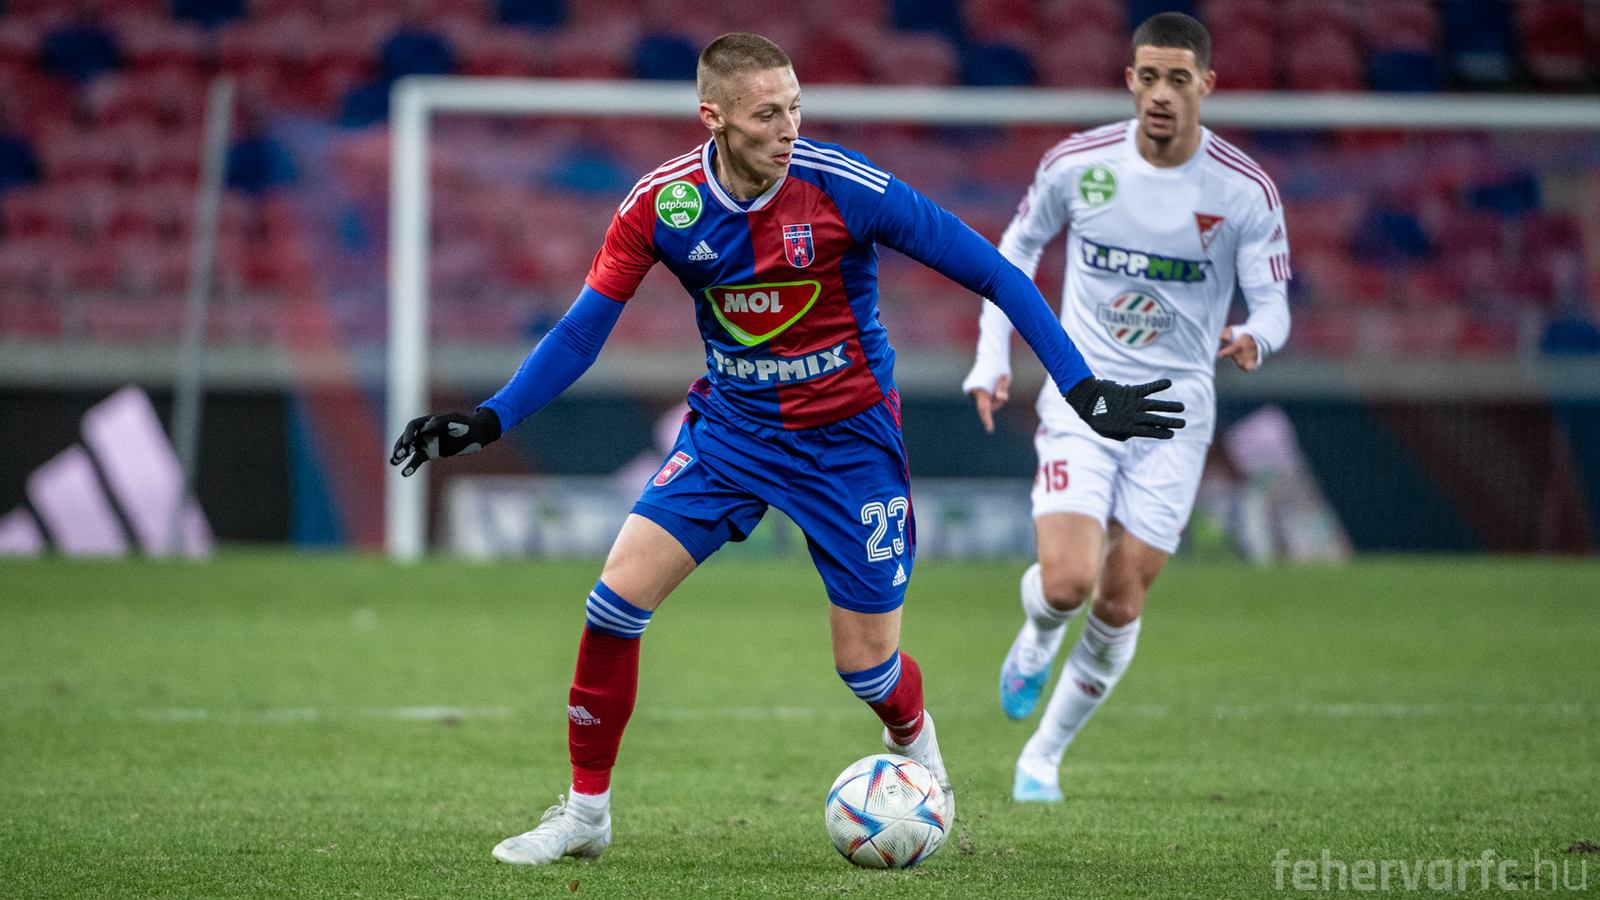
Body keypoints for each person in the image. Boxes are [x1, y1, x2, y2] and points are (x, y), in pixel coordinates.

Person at [390, 32, 1183, 865]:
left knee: (867, 670)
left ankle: (918, 750)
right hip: (732, 434)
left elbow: (997, 273)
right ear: (714, 118)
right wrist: (492, 418)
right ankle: (587, 814)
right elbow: (582, 331)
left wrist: (1082, 389)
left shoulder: (845, 187)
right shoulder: (664, 207)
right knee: (612, 604)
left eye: (796, 108)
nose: (789, 128)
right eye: (767, 114)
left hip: (849, 445)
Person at [961, 12, 1291, 802]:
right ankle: (1038, 635)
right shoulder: (1079, 165)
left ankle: (1042, 757)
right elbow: (1012, 254)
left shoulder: (1243, 191)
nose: (1162, 94)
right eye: (1149, 77)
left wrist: (1256, 337)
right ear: (1130, 81)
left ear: (1206, 85)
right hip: (1085, 394)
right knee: (1067, 585)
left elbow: (1274, 303)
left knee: (1120, 599)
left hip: (1176, 415)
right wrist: (991, 354)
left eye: (1179, 79)